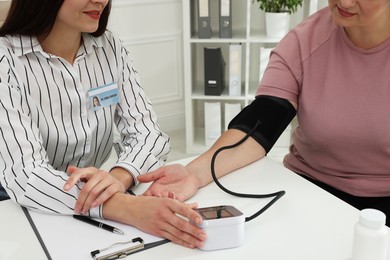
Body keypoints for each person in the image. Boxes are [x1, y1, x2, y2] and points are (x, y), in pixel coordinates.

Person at [138, 0, 390, 226]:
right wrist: (193, 173)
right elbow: (260, 124)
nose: (345, 2)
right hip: (310, 187)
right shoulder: (304, 41)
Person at [0, 0, 206, 248]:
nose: (101, 0)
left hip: (89, 197)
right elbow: (25, 174)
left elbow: (148, 133)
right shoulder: (6, 60)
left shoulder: (110, 46)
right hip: (14, 203)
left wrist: (119, 177)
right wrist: (124, 207)